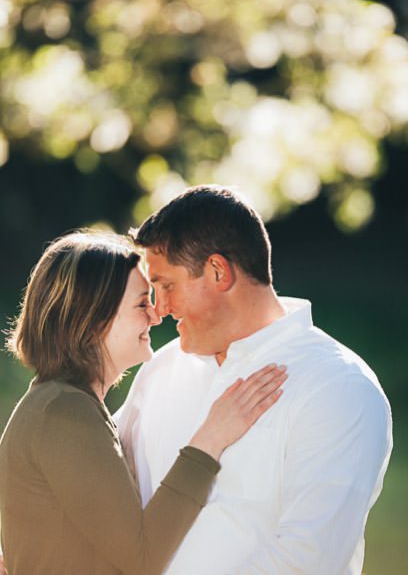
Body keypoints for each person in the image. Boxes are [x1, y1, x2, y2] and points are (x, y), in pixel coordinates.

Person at [114, 184, 392, 574]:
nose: (159, 310)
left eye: (167, 286)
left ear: (217, 272)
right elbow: (95, 477)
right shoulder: (162, 369)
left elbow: (305, 561)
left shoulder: (337, 386)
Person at [0, 231, 286, 574]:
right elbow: (143, 559)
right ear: (93, 321)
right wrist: (210, 439)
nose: (156, 314)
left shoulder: (63, 404)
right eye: (141, 304)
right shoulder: (64, 413)